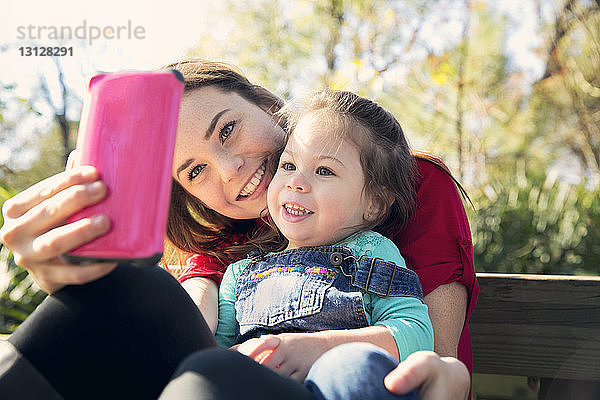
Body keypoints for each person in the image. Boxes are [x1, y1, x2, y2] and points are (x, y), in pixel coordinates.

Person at [0, 59, 475, 400]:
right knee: (129, 288)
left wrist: (314, 349)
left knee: (213, 368)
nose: (227, 171)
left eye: (226, 130)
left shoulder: (401, 189)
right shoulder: (229, 255)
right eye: (194, 172)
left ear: (270, 107)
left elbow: (431, 360)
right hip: (232, 376)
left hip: (354, 382)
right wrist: (83, 263)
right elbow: (192, 331)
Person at [213, 88, 433, 399]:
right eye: (288, 165)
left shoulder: (371, 252)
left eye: (324, 171)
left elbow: (416, 335)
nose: (295, 181)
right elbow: (219, 351)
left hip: (338, 386)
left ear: (374, 202)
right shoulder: (240, 275)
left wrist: (321, 348)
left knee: (353, 366)